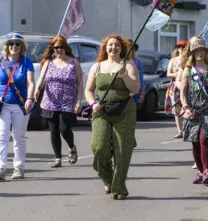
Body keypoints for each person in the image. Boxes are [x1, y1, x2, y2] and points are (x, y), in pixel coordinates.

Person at [85, 34, 140, 200]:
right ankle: (108, 178)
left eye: (117, 45)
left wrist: (123, 75)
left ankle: (119, 188)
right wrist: (93, 104)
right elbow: (88, 91)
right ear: (105, 48)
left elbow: (136, 89)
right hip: (102, 110)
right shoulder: (97, 67)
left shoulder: (129, 66)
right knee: (98, 147)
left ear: (122, 48)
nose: (113, 48)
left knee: (122, 150)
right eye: (110, 45)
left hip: (125, 110)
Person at [0, 33, 35, 181]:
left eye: (17, 44)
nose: (14, 47)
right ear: (7, 46)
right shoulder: (0, 60)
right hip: (2, 104)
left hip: (20, 105)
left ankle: (19, 168)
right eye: (11, 44)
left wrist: (30, 99)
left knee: (19, 137)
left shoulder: (26, 62)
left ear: (22, 47)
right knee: (1, 135)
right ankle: (0, 168)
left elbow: (31, 82)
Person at [179, 36, 208, 186]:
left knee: (204, 139)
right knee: (195, 143)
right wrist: (185, 108)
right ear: (191, 53)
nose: (200, 53)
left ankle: (206, 171)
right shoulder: (187, 70)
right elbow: (182, 93)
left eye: (202, 50)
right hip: (192, 111)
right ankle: (199, 171)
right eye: (197, 50)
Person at [35, 35, 83, 168]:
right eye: (56, 48)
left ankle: (72, 147)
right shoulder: (48, 62)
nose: (59, 50)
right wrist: (37, 89)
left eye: (61, 47)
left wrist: (79, 101)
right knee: (53, 130)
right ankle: (57, 158)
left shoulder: (73, 62)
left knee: (64, 128)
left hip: (67, 101)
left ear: (66, 48)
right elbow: (41, 79)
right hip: (50, 100)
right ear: (53, 49)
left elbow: (79, 83)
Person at [165, 40, 187, 138]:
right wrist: (175, 74)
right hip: (175, 88)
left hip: (186, 86)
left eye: (183, 47)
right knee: (177, 110)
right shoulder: (173, 60)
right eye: (179, 47)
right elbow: (168, 74)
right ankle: (180, 131)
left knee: (187, 107)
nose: (181, 49)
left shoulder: (189, 60)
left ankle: (187, 129)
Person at [123, 39, 145, 105]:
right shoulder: (120, 61)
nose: (129, 50)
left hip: (133, 92)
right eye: (127, 47)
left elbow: (141, 79)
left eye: (131, 48)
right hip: (121, 91)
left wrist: (142, 93)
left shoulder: (137, 62)